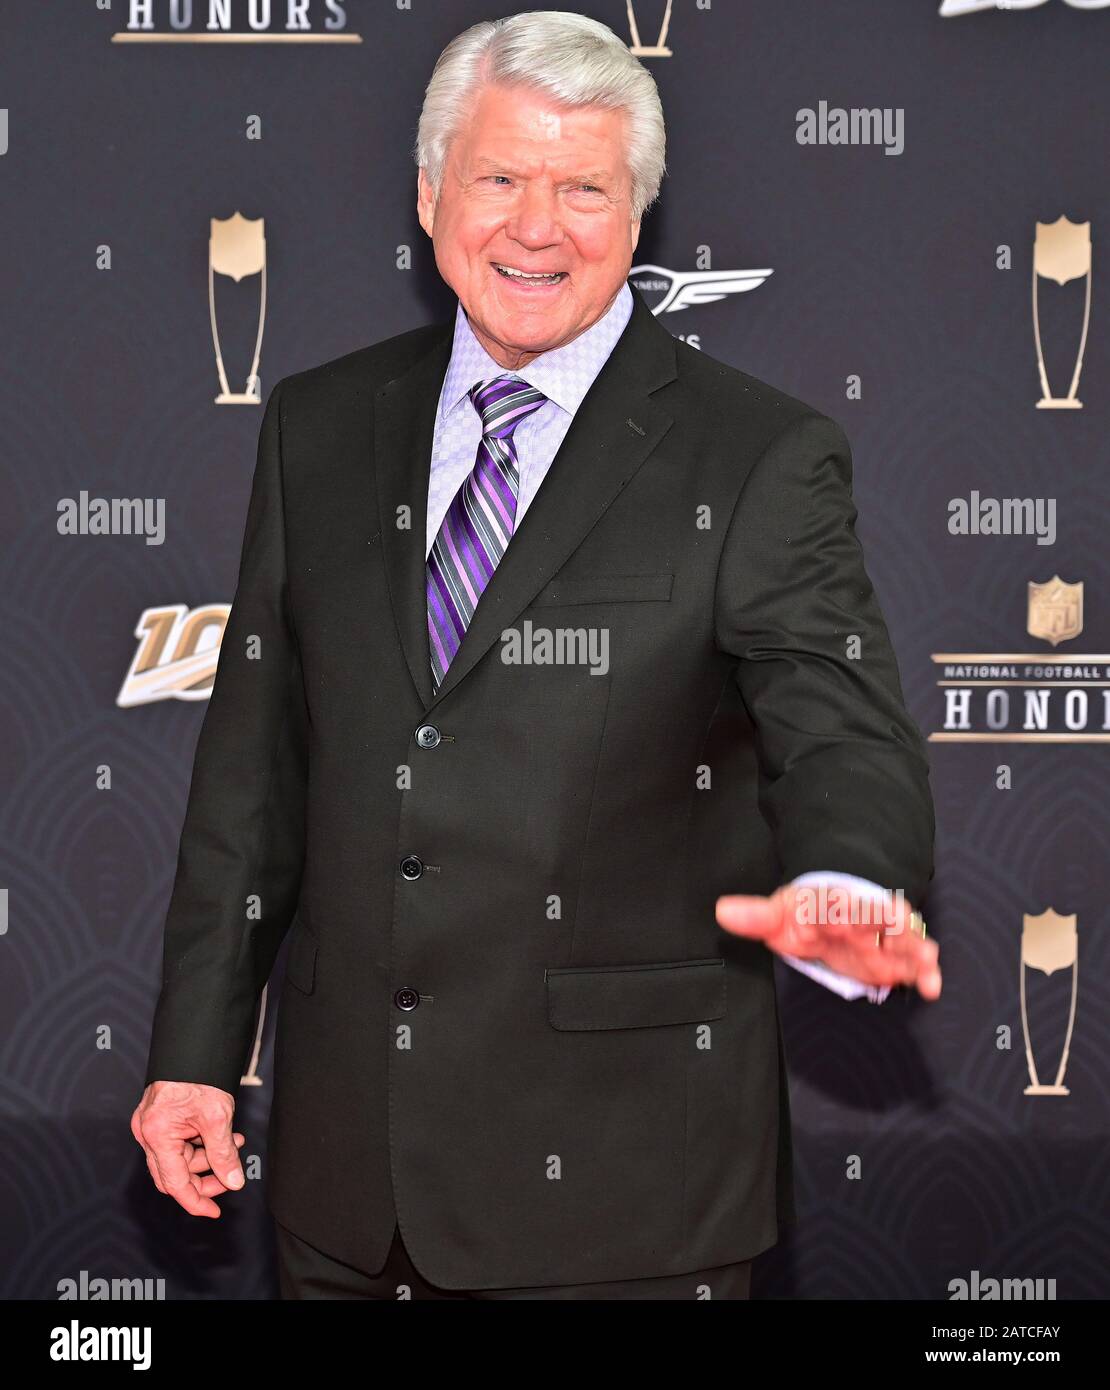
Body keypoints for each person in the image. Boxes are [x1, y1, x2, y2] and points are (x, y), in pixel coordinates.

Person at [131, 10, 940, 1301]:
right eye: (500, 177)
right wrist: (196, 1052)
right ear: (429, 191)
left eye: (583, 187)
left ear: (636, 218)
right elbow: (253, 775)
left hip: (624, 1200)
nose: (535, 225)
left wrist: (850, 876)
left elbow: (837, 729)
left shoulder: (755, 457)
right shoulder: (318, 426)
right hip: (345, 1192)